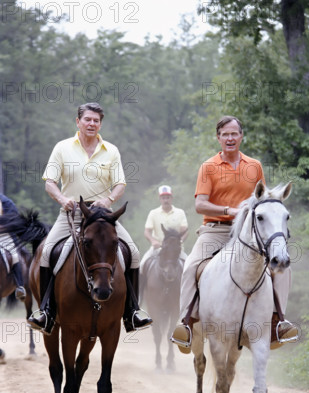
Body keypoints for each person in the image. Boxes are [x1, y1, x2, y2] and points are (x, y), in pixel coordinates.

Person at [171, 115, 298, 352]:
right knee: (191, 265)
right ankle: (185, 324)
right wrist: (229, 210)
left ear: (241, 136)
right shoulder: (208, 167)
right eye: (225, 134)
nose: (230, 138)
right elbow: (200, 205)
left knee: (282, 267)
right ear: (218, 138)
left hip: (250, 231)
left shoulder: (255, 166)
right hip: (216, 229)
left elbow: (263, 200)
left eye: (234, 134)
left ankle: (278, 321)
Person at [27, 102, 152, 335]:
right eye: (87, 119)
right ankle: (46, 311)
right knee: (46, 253)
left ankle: (132, 312)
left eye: (96, 120)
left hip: (102, 217)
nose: (92, 123)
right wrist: (63, 200)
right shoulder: (62, 148)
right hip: (72, 213)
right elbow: (50, 183)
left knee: (133, 253)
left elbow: (120, 184)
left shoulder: (111, 150)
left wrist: (108, 200)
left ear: (100, 124)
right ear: (78, 122)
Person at [140, 185, 188, 278]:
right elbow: (147, 231)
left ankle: (191, 292)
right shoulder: (153, 213)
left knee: (189, 268)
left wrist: (180, 241)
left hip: (176, 249)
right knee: (142, 265)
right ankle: (140, 291)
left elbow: (185, 231)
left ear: (171, 198)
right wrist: (153, 241)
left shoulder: (180, 212)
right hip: (158, 248)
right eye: (163, 198)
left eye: (168, 197)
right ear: (160, 199)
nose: (166, 200)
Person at [0, 194, 27, 301]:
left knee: (14, 255)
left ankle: (20, 286)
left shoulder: (6, 202)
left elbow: (14, 221)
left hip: (4, 234)